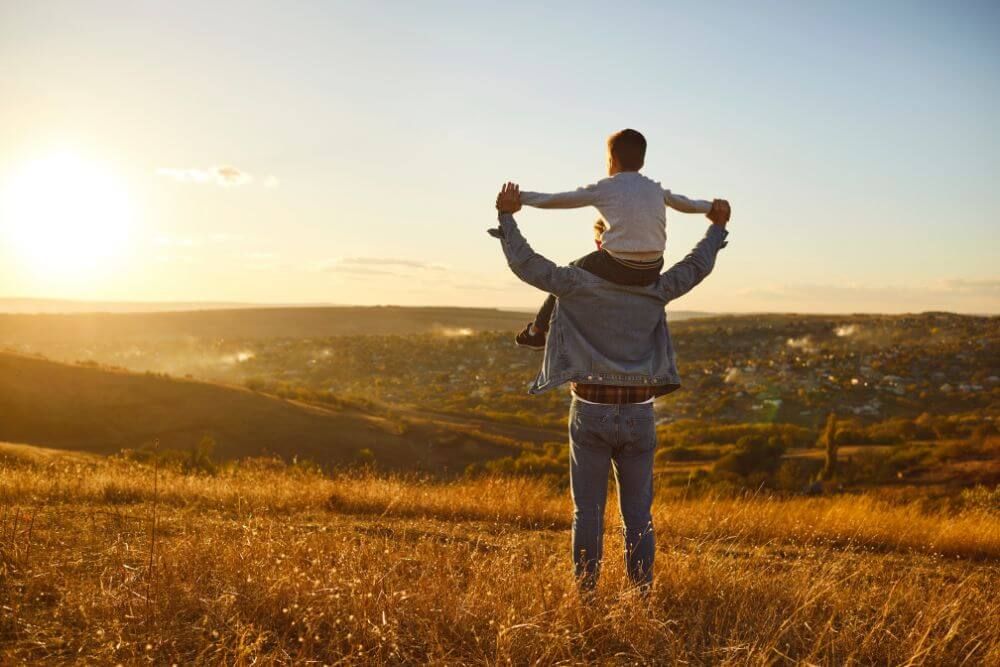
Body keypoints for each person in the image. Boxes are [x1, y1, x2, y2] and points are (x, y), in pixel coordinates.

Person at [489, 182, 730, 595]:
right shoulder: (657, 288)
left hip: (590, 410)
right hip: (640, 412)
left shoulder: (577, 283)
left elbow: (528, 264)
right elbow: (696, 267)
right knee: (639, 516)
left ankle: (586, 596)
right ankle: (640, 595)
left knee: (588, 513)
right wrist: (715, 227)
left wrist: (508, 217)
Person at [510, 129, 729, 349]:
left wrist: (521, 199)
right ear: (642, 161)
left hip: (618, 265)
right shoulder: (655, 189)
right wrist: (710, 207)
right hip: (652, 269)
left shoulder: (606, 187)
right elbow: (684, 203)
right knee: (587, 267)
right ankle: (539, 330)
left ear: (611, 159)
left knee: (569, 273)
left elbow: (560, 200)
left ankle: (537, 331)